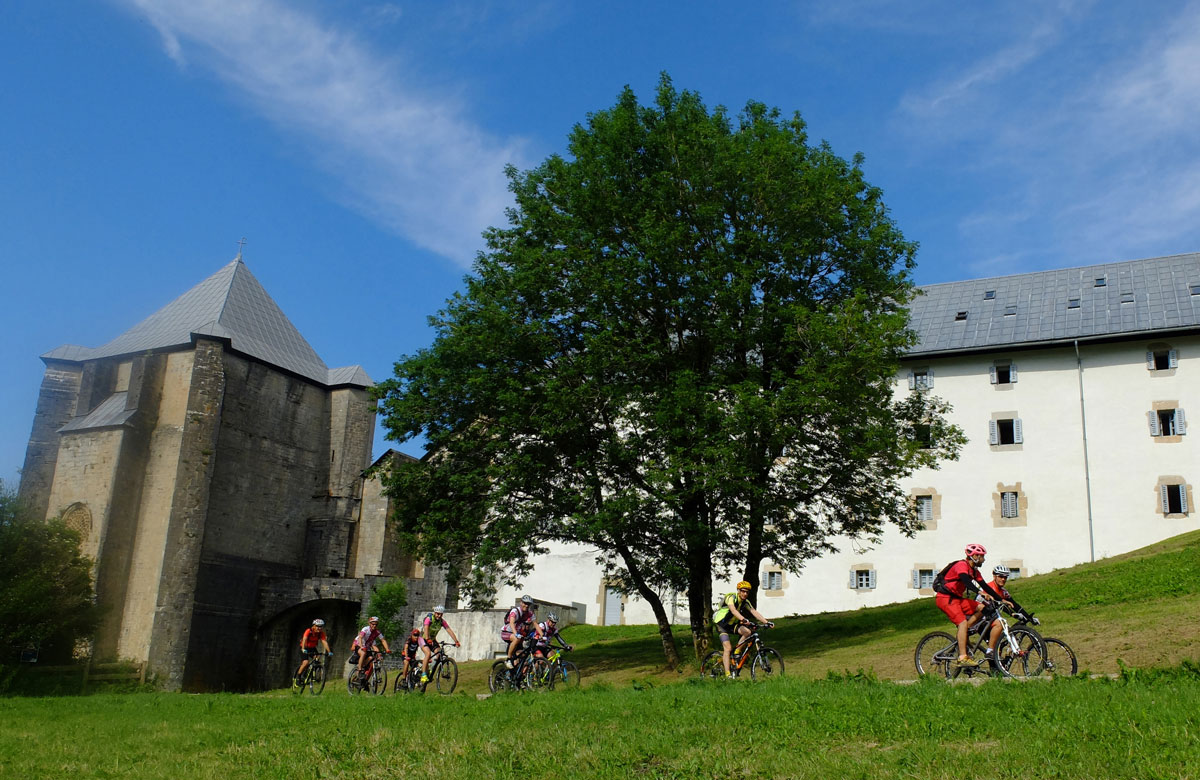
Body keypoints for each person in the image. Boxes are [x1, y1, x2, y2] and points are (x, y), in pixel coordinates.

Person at [933, 544, 1006, 669]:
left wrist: (1002, 600)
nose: (984, 559)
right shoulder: (961, 565)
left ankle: (965, 630)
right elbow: (966, 581)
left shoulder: (974, 571)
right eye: (982, 556)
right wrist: (980, 592)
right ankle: (962, 657)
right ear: (975, 556)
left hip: (957, 599)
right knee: (962, 623)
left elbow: (985, 586)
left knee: (982, 607)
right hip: (945, 599)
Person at [712, 581, 773, 678]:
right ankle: (728, 674)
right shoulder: (731, 597)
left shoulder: (745, 602)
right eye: (743, 591)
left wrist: (766, 622)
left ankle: (737, 651)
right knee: (728, 648)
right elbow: (733, 610)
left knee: (747, 632)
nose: (745, 594)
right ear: (738, 591)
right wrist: (743, 619)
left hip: (731, 625)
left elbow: (753, 611)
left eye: (747, 592)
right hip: (721, 625)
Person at [419, 604, 461, 683]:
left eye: (441, 614)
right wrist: (427, 639)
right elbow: (426, 628)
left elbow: (449, 630)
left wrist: (456, 641)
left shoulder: (442, 621)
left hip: (432, 640)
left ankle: (431, 669)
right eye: (438, 614)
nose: (439, 616)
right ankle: (423, 675)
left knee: (439, 654)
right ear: (435, 613)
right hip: (423, 639)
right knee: (428, 654)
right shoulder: (429, 619)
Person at [500, 595, 542, 668]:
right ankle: (508, 659)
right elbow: (512, 623)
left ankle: (518, 671)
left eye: (528, 604)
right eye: (525, 603)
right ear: (521, 603)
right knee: (516, 639)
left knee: (523, 654)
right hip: (507, 632)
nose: (526, 605)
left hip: (517, 637)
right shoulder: (515, 611)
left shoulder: (530, 614)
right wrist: (516, 633)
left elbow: (536, 624)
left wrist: (542, 635)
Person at [350, 616, 391, 681]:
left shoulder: (377, 632)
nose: (374, 626)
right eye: (373, 624)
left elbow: (383, 640)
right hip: (359, 644)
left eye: (376, 624)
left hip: (367, 647)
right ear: (369, 623)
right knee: (363, 653)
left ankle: (364, 674)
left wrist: (387, 649)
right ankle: (360, 670)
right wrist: (361, 646)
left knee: (371, 658)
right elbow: (360, 637)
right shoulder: (365, 629)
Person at [293, 618, 330, 688]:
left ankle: (311, 671)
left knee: (317, 658)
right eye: (318, 626)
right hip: (304, 647)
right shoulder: (308, 631)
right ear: (314, 626)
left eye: (321, 626)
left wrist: (329, 651)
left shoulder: (321, 633)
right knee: (305, 662)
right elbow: (304, 639)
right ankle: (298, 677)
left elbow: (324, 642)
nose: (319, 628)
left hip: (312, 648)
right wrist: (303, 649)